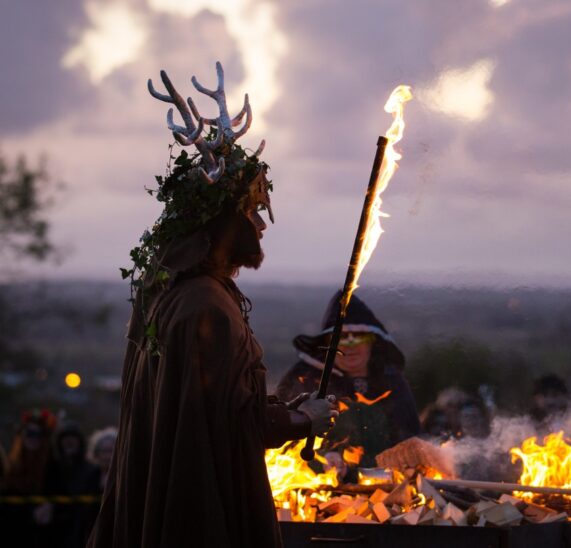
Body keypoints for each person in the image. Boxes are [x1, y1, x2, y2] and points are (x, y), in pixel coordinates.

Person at [87, 63, 337, 548]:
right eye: (250, 212)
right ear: (225, 223)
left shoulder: (166, 293)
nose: (261, 227)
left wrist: (284, 407)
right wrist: (305, 420)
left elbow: (210, 404)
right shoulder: (205, 307)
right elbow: (228, 422)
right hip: (201, 507)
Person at [277, 292, 420, 468]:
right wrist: (322, 460)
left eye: (359, 336)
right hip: (321, 488)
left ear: (372, 341)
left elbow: (411, 438)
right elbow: (282, 442)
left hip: (389, 484)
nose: (349, 346)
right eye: (341, 338)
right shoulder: (304, 379)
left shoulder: (392, 381)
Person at [0, 409, 57, 548]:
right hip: (13, 530)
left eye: (37, 434)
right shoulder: (12, 463)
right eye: (28, 434)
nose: (32, 438)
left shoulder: (53, 465)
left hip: (42, 534)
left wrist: (51, 506)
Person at [45, 421, 101, 548]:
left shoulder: (91, 470)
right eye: (65, 438)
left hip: (81, 529)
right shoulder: (52, 468)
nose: (69, 442)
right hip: (54, 530)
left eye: (73, 438)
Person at [86, 427, 117, 493]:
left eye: (111, 451)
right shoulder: (89, 475)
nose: (108, 456)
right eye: (104, 451)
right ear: (96, 453)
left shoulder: (122, 477)